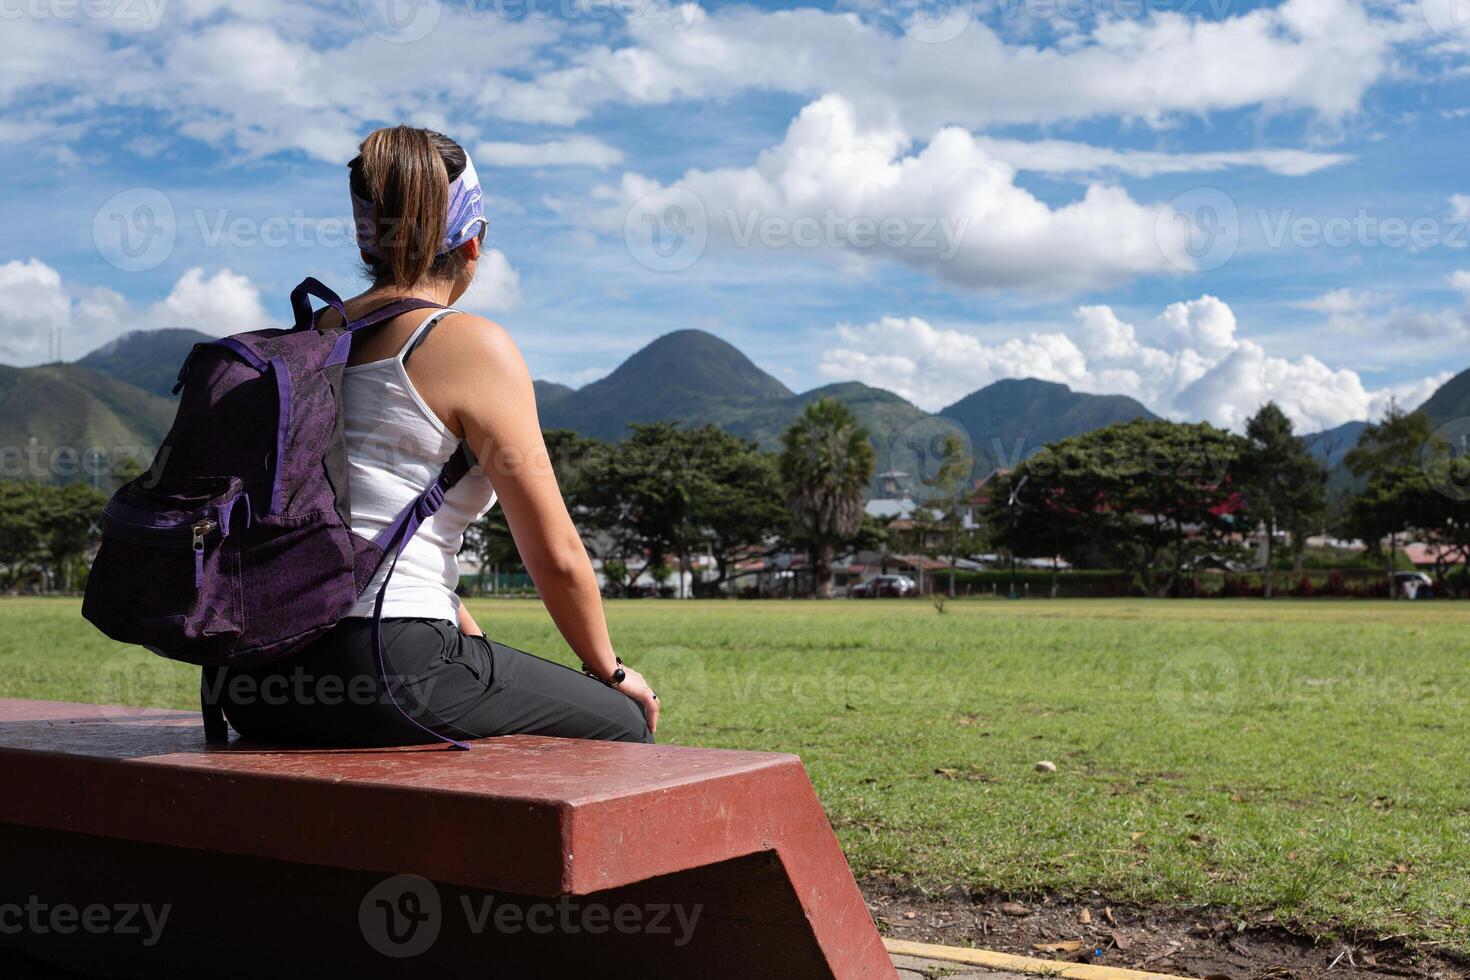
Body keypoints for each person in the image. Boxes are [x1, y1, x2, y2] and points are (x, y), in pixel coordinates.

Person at [221, 126, 657, 746]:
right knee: (621, 723)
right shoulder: (471, 345)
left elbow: (377, 525)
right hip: (383, 667)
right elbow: (555, 555)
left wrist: (469, 637)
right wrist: (611, 672)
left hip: (251, 682)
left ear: (365, 239)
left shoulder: (304, 342)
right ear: (473, 244)